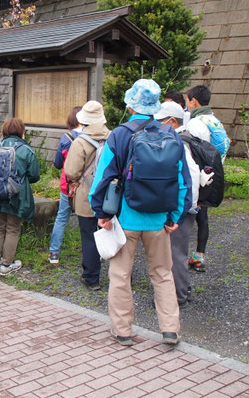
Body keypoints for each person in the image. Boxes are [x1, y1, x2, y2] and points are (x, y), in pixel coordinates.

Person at [89, 79, 191, 347]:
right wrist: (175, 217)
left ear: (130, 103)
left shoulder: (120, 135)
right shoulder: (171, 135)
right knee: (162, 273)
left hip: (126, 219)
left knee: (121, 276)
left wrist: (101, 212)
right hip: (159, 220)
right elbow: (182, 182)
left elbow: (103, 178)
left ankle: (122, 331)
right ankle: (170, 329)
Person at [154, 102, 209, 305]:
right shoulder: (185, 139)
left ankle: (177, 296)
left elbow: (191, 178)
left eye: (160, 120)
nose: (157, 124)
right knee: (175, 250)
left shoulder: (180, 143)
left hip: (181, 208)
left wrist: (185, 209)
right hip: (185, 205)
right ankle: (181, 288)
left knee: (174, 252)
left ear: (172, 121)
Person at [0, 118, 41, 276]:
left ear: (4, 131)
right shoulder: (26, 151)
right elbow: (35, 175)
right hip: (16, 196)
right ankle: (6, 265)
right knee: (13, 229)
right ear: (21, 132)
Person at [63, 101, 110, 290]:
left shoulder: (80, 142)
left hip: (87, 196)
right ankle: (121, 275)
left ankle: (91, 278)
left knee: (89, 236)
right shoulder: (114, 138)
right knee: (112, 233)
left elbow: (72, 172)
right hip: (111, 196)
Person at [186, 85, 230, 272]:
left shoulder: (196, 123)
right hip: (214, 172)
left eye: (187, 101)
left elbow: (193, 150)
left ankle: (185, 255)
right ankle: (199, 255)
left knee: (192, 214)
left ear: (194, 101)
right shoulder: (214, 120)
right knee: (203, 216)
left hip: (200, 174)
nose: (187, 105)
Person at [47, 106, 81, 264]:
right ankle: (96, 252)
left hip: (68, 186)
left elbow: (58, 164)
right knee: (89, 220)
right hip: (87, 186)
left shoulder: (66, 138)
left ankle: (54, 253)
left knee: (61, 218)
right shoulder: (93, 137)